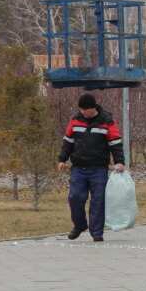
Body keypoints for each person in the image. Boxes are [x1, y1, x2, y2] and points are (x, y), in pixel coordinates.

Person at [58, 93, 125, 241]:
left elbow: (115, 143)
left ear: (92, 108)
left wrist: (119, 161)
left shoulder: (107, 120)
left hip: (98, 168)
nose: (82, 112)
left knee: (98, 200)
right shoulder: (75, 119)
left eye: (84, 110)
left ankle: (96, 232)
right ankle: (80, 225)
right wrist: (62, 159)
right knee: (75, 197)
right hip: (78, 167)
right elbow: (68, 140)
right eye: (80, 109)